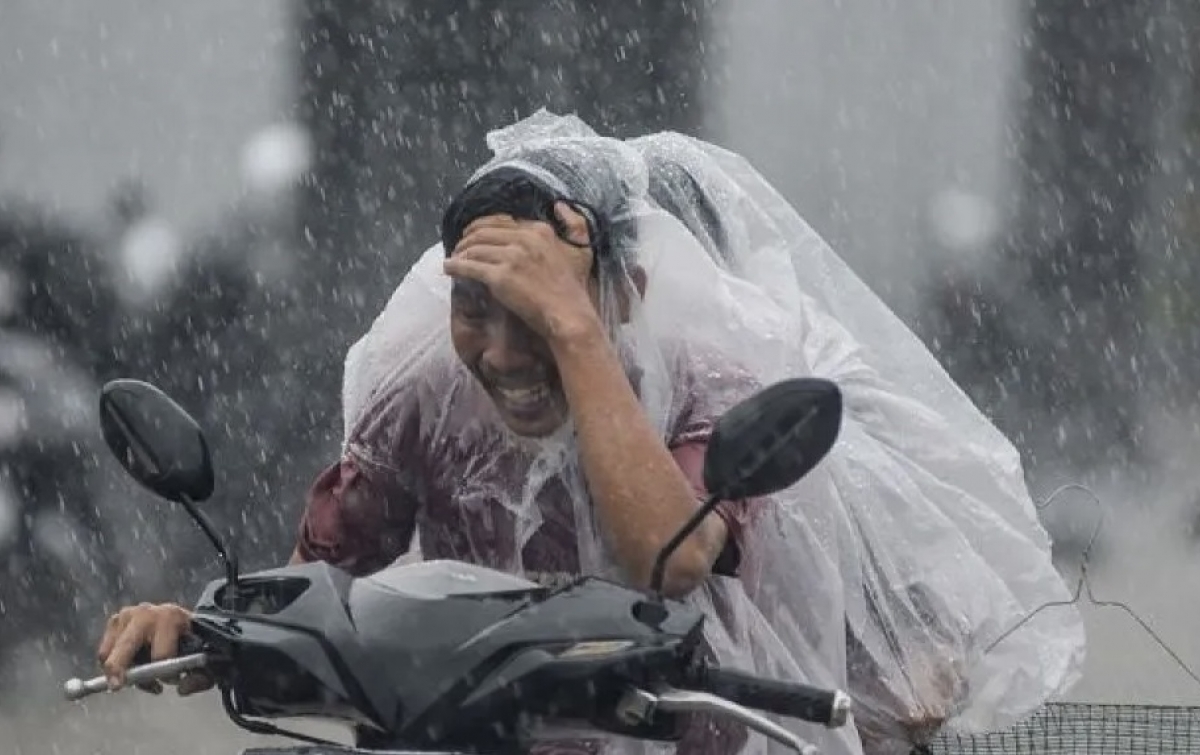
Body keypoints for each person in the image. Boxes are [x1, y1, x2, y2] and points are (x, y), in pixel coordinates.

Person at [96, 112, 1084, 755]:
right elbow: (322, 579)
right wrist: (203, 629)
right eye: (476, 305)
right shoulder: (420, 389)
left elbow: (675, 556)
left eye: (543, 305)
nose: (501, 347)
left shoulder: (716, 378)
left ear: (631, 291)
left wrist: (575, 333)